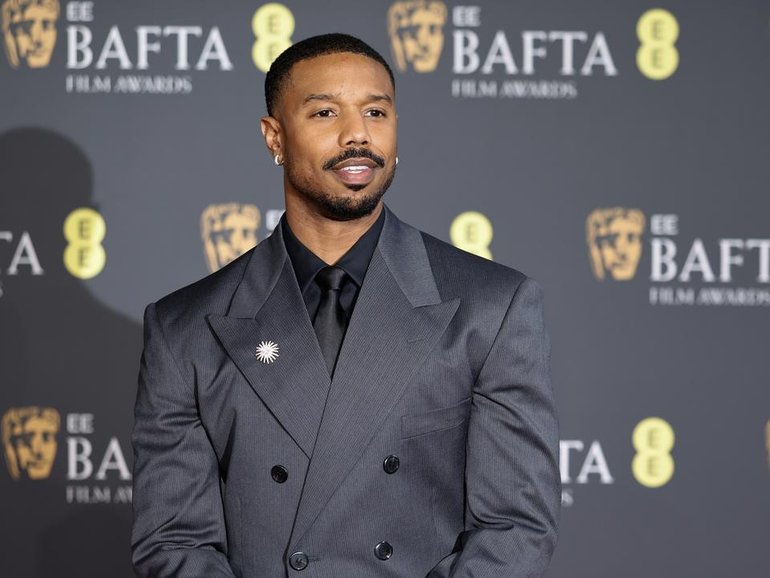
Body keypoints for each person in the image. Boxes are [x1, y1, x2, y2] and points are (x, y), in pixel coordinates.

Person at [131, 33, 560, 578]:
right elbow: (174, 543)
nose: (357, 134)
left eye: (376, 111)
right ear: (274, 138)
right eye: (326, 112)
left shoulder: (492, 308)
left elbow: (515, 530)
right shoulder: (184, 329)